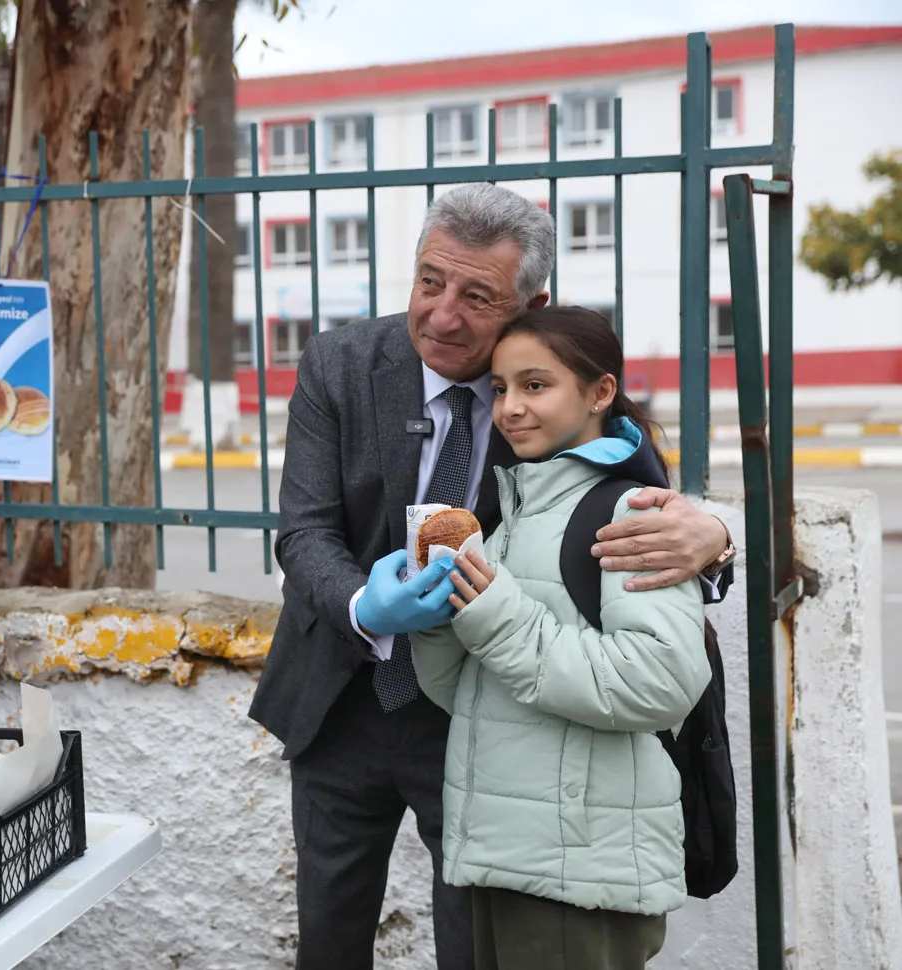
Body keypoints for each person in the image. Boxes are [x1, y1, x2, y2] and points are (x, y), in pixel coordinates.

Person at [246, 184, 735, 970]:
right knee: (328, 938)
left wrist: (715, 536)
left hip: (480, 716)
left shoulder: (551, 395)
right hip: (337, 694)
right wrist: (365, 605)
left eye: (477, 297)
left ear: (529, 301)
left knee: (473, 947)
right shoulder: (338, 364)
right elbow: (304, 534)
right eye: (428, 282)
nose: (441, 316)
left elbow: (644, 507)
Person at [412, 304, 709, 969]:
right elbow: (465, 693)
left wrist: (493, 612)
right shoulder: (506, 514)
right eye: (498, 389)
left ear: (599, 392)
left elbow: (659, 683)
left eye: (534, 385)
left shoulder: (629, 513)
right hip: (504, 853)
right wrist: (435, 618)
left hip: (579, 869)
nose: (510, 407)